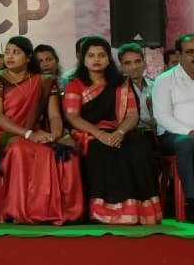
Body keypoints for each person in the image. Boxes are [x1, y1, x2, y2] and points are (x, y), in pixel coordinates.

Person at [0, 36, 83, 225]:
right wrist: (29, 134)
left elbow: (54, 116)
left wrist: (55, 134)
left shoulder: (44, 81)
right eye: (7, 52)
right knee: (20, 149)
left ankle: (60, 211)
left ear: (28, 57)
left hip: (35, 133)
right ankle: (22, 210)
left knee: (65, 151)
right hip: (1, 134)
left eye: (16, 52)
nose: (10, 56)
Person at [63, 37, 160, 225]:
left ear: (109, 59)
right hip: (88, 133)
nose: (96, 59)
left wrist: (119, 133)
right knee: (101, 150)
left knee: (137, 145)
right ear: (83, 59)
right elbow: (73, 117)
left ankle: (136, 210)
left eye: (101, 55)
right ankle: (102, 212)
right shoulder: (75, 84)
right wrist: (100, 134)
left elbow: (132, 115)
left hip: (118, 131)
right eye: (91, 55)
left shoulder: (121, 83)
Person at [152, 34, 194, 219]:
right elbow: (162, 117)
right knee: (187, 143)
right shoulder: (165, 80)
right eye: (191, 52)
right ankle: (193, 203)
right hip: (174, 136)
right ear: (179, 55)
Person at [116, 43, 157, 139]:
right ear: (121, 67)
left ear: (144, 64)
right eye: (128, 63)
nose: (134, 67)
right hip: (130, 135)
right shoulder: (118, 90)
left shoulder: (156, 86)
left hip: (155, 133)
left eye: (138, 61)